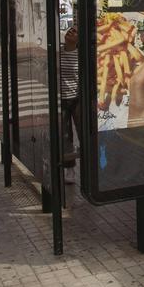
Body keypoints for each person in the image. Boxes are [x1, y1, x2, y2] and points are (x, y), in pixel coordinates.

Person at [59, 24, 79, 184]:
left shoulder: (81, 54)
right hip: (62, 99)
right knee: (66, 136)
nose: (71, 31)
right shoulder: (57, 51)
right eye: (71, 29)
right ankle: (69, 169)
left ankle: (90, 168)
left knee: (84, 134)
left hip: (78, 99)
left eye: (76, 31)